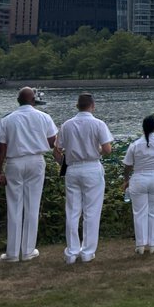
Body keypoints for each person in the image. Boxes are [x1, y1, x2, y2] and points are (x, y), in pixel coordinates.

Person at [0, 86, 58, 262]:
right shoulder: (44, 117)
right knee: (32, 205)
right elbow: (53, 143)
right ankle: (28, 250)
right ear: (33, 100)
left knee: (14, 206)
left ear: (18, 101)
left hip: (14, 162)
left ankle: (12, 253)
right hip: (36, 161)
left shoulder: (8, 120)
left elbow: (1, 148)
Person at [55, 93, 114, 264]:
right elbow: (107, 149)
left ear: (77, 106)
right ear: (92, 105)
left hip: (72, 169)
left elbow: (57, 150)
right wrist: (97, 152)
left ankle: (72, 252)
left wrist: (63, 164)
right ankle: (87, 251)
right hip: (91, 166)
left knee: (72, 211)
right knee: (92, 211)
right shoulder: (98, 124)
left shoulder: (66, 125)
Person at [121, 115, 154, 255]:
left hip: (138, 179)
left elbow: (127, 165)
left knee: (139, 213)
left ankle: (140, 245)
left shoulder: (135, 145)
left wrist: (126, 180)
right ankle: (153, 244)